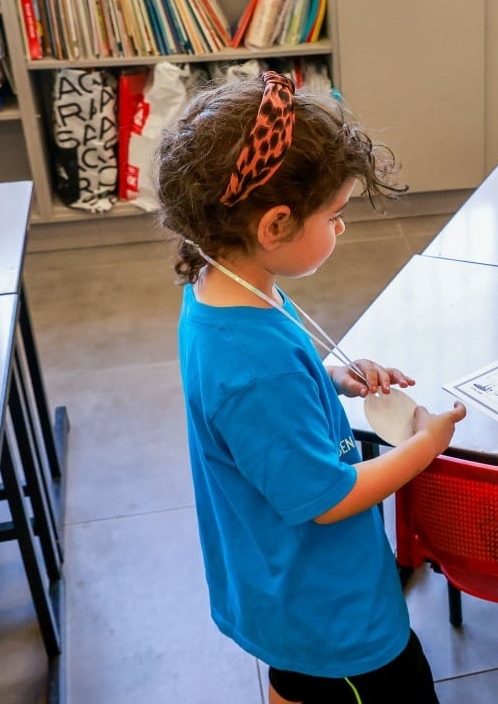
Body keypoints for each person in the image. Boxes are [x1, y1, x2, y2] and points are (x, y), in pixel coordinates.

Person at [156, 71, 466, 704]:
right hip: (330, 613)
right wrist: (425, 445)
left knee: (295, 679)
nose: (341, 228)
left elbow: (259, 406)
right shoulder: (255, 366)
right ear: (275, 225)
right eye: (335, 215)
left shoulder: (223, 289)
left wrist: (331, 379)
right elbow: (330, 498)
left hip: (285, 585)